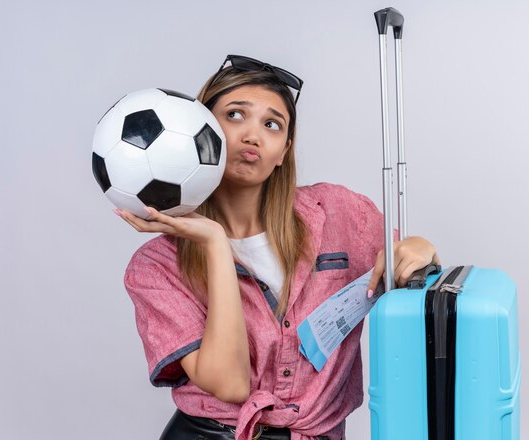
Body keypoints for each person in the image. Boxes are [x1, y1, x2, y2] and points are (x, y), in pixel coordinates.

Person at [116, 55, 440, 440]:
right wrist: (216, 244)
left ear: (284, 151)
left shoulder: (339, 212)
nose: (253, 135)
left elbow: (412, 261)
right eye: (235, 115)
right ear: (202, 132)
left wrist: (420, 248)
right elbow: (231, 384)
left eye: (272, 124)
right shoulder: (156, 266)